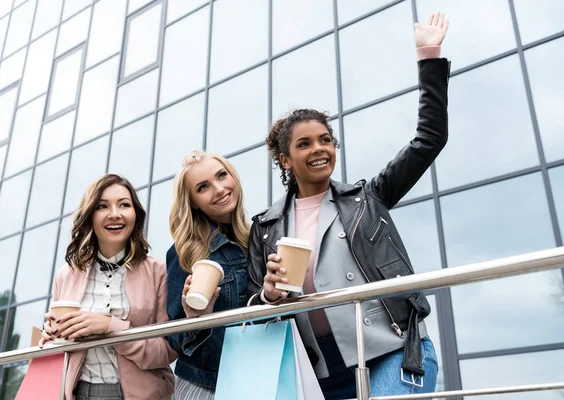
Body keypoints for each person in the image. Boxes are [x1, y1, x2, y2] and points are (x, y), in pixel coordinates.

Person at [247, 12, 450, 399]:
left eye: (325, 140)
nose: (319, 149)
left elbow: (430, 138)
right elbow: (256, 305)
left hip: (392, 348)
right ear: (285, 160)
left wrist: (429, 57)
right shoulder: (266, 227)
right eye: (304, 144)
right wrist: (269, 296)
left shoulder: (368, 198)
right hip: (321, 369)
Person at [39, 174, 177, 400]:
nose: (115, 214)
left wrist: (110, 327)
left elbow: (167, 351)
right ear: (90, 216)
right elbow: (61, 347)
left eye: (124, 204)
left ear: (135, 214)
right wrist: (52, 335)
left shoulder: (158, 272)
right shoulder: (66, 276)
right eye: (103, 206)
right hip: (79, 393)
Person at [166, 150, 251, 398]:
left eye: (222, 176)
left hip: (260, 374)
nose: (219, 189)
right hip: (207, 385)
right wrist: (196, 319)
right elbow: (174, 336)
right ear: (192, 201)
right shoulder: (185, 251)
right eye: (203, 187)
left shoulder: (257, 238)